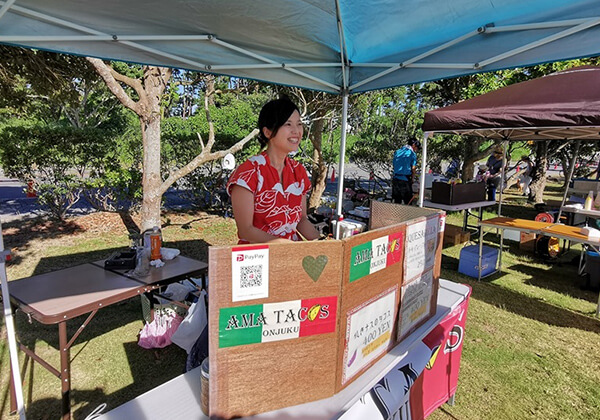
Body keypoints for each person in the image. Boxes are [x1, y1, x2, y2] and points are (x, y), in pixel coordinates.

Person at [226, 96, 320, 244]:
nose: (296, 131)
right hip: (257, 259)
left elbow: (301, 220)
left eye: (299, 124)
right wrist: (287, 246)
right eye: (288, 124)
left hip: (291, 255)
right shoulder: (248, 173)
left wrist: (322, 243)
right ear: (268, 132)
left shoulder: (299, 171)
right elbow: (245, 230)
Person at [392, 137, 420, 205]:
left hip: (395, 179)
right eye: (417, 147)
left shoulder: (398, 151)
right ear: (413, 145)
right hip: (405, 180)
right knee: (408, 202)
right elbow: (413, 168)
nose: (416, 149)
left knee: (397, 202)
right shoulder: (412, 154)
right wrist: (412, 179)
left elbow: (394, 164)